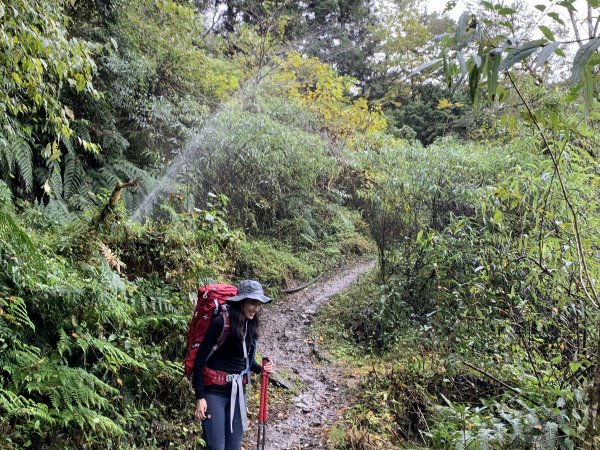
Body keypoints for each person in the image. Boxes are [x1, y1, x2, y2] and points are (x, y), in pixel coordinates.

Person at [192, 279, 274, 450]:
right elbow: (198, 362)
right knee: (216, 447)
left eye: (258, 304)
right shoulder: (221, 323)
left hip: (238, 394)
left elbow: (246, 361)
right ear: (241, 302)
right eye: (252, 303)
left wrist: (261, 369)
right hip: (214, 392)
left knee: (234, 447)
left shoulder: (250, 325)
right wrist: (200, 397)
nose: (256, 308)